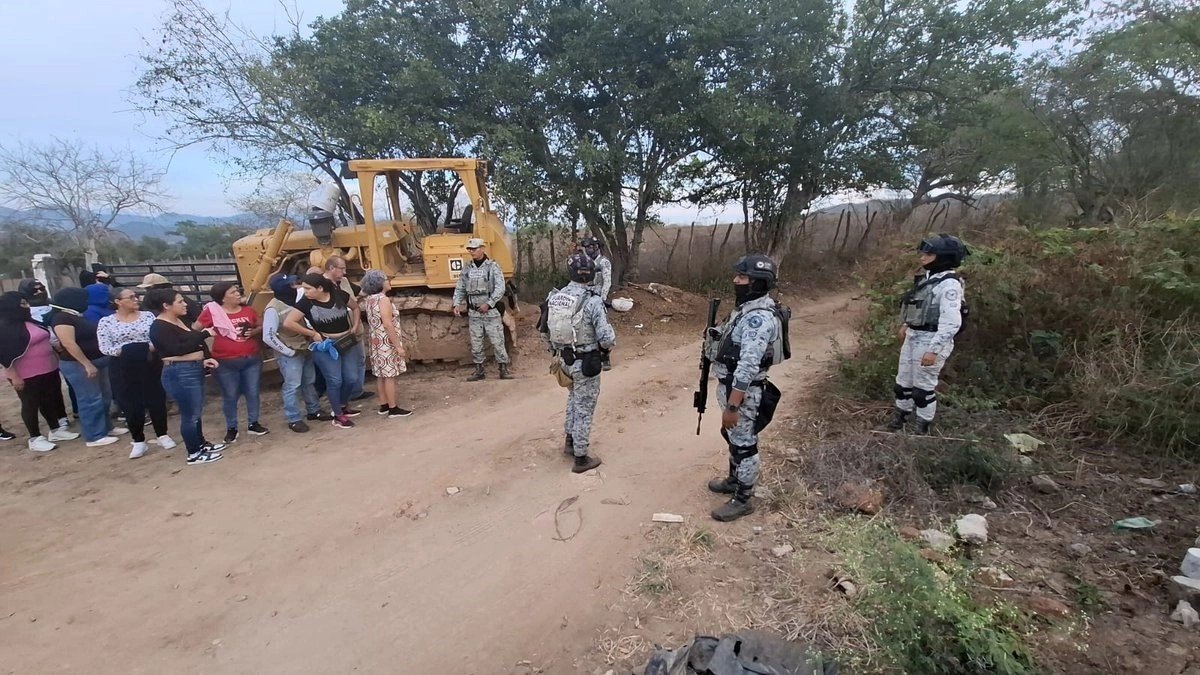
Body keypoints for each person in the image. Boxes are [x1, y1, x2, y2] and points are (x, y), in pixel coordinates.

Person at [704, 254, 786, 522]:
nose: (735, 281)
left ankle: (743, 497)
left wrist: (732, 405)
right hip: (732, 388)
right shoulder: (746, 309)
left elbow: (748, 366)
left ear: (756, 283)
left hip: (744, 392)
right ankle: (733, 478)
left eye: (742, 277)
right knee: (733, 437)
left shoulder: (758, 319)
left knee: (744, 445)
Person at [538, 253, 616, 473]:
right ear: (591, 274)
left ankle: (570, 442)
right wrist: (606, 349)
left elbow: (543, 330)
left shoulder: (555, 297)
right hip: (586, 362)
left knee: (573, 399)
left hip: (565, 360)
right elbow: (607, 339)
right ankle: (581, 457)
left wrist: (555, 353)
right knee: (584, 407)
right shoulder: (592, 301)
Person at [887, 234, 970, 435]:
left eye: (929, 253)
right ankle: (900, 418)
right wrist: (907, 324)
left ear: (943, 257)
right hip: (914, 335)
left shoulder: (949, 285)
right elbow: (921, 305)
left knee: (922, 390)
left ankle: (921, 428)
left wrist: (933, 350)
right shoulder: (930, 278)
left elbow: (952, 323)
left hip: (931, 339)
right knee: (902, 384)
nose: (923, 256)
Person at [146, 288, 224, 465]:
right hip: (179, 373)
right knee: (190, 414)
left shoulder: (177, 321)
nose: (185, 304)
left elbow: (187, 346)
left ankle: (201, 443)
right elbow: (176, 350)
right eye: (180, 301)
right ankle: (193, 452)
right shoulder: (159, 326)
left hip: (190, 369)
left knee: (195, 412)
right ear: (166, 305)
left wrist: (203, 360)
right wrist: (204, 334)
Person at [97, 287, 176, 459]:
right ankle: (138, 440)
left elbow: (156, 337)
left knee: (155, 398)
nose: (136, 299)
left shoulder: (148, 316)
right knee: (130, 402)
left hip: (149, 361)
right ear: (118, 301)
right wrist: (125, 351)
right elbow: (104, 346)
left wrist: (147, 349)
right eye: (131, 297)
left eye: (136, 296)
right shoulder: (106, 322)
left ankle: (162, 434)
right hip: (122, 365)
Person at [0, 292, 79, 452]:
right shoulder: (4, 328)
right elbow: (3, 354)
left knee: (49, 400)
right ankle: (35, 437)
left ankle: (55, 430)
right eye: (23, 304)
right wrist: (14, 375)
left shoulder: (32, 322)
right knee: (30, 404)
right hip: (25, 373)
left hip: (48, 368)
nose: (27, 306)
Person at [48, 287, 124, 448]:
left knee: (104, 397)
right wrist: (86, 364)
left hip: (98, 360)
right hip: (79, 364)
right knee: (90, 399)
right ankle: (94, 435)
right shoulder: (62, 318)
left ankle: (106, 427)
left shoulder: (75, 315)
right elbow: (69, 343)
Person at [284, 273, 362, 429]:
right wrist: (312, 334)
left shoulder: (338, 294)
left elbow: (355, 307)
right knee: (335, 380)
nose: (305, 292)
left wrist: (354, 326)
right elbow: (289, 322)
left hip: (346, 340)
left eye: (308, 288)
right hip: (326, 344)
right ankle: (338, 414)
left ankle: (342, 404)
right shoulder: (306, 303)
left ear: (320, 288)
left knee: (352, 377)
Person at [198, 282, 268, 444]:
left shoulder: (248, 310)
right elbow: (196, 329)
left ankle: (253, 422)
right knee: (230, 395)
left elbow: (260, 325)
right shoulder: (212, 313)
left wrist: (254, 331)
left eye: (237, 291)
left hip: (251, 359)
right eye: (233, 292)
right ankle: (232, 427)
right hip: (225, 362)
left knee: (252, 392)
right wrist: (207, 335)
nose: (238, 294)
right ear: (222, 297)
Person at [263, 274, 332, 433]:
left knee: (308, 381)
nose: (296, 287)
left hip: (303, 348)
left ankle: (313, 410)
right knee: (292, 386)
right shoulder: (273, 308)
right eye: (292, 285)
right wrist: (287, 351)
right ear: (282, 289)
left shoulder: (295, 302)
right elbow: (268, 335)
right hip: (290, 353)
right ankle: (293, 418)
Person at [453, 238, 512, 381]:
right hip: (474, 313)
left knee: (497, 340)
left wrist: (489, 303)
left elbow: (500, 288)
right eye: (470, 249)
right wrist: (456, 303)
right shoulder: (467, 268)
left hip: (491, 312)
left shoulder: (492, 267)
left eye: (474, 248)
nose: (471, 251)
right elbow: (460, 286)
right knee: (476, 342)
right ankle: (479, 370)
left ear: (482, 249)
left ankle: (503, 369)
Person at [14, 280, 70, 429]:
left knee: (55, 388)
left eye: (41, 289)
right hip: (30, 365)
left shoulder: (53, 306)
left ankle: (62, 416)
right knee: (36, 397)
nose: (39, 292)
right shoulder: (20, 315)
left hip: (54, 356)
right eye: (35, 290)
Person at [361, 270, 413, 418]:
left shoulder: (370, 299)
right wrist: (397, 346)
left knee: (380, 375)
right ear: (380, 283)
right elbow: (388, 324)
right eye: (386, 279)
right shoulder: (383, 300)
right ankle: (393, 408)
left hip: (376, 341)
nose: (388, 281)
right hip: (386, 341)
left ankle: (384, 404)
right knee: (389, 375)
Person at [323, 256, 372, 401]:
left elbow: (359, 294)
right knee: (340, 369)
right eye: (342, 269)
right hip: (336, 334)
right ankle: (341, 398)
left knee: (360, 360)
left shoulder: (344, 282)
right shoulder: (321, 285)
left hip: (354, 330)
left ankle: (356, 391)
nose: (344, 272)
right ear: (331, 268)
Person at [580, 237, 614, 372]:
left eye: (591, 247)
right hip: (586, 297)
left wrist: (603, 298)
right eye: (586, 248)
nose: (588, 250)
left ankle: (605, 357)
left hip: (599, 297)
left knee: (602, 328)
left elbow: (607, 281)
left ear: (597, 247)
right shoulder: (585, 262)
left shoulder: (603, 262)